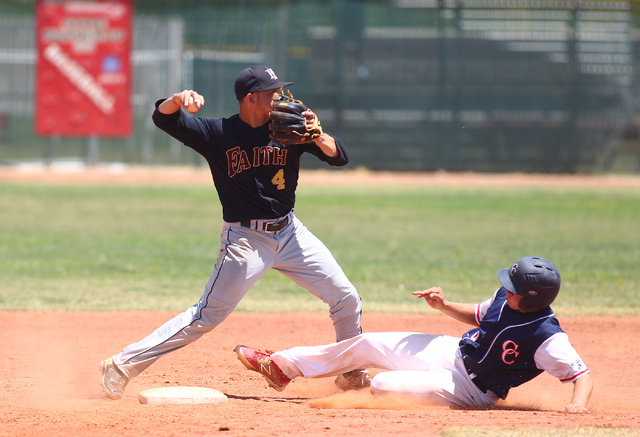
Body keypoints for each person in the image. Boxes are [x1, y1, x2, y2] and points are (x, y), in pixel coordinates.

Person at [100, 65, 369, 399]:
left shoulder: (288, 128)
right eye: (271, 92)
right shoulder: (218, 133)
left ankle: (350, 371)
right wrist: (177, 99)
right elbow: (163, 119)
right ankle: (121, 365)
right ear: (251, 98)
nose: (279, 97)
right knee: (206, 316)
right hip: (246, 241)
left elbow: (338, 156)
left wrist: (318, 136)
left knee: (345, 297)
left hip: (290, 233)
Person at [235, 256, 593, 413]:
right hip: (453, 352)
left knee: (382, 386)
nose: (505, 287)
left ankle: (371, 384)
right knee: (367, 342)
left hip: (472, 390)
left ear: (531, 300)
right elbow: (478, 316)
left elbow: (581, 374)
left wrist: (578, 404)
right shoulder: (505, 298)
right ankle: (283, 367)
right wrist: (444, 305)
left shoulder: (548, 337)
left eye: (513, 286)